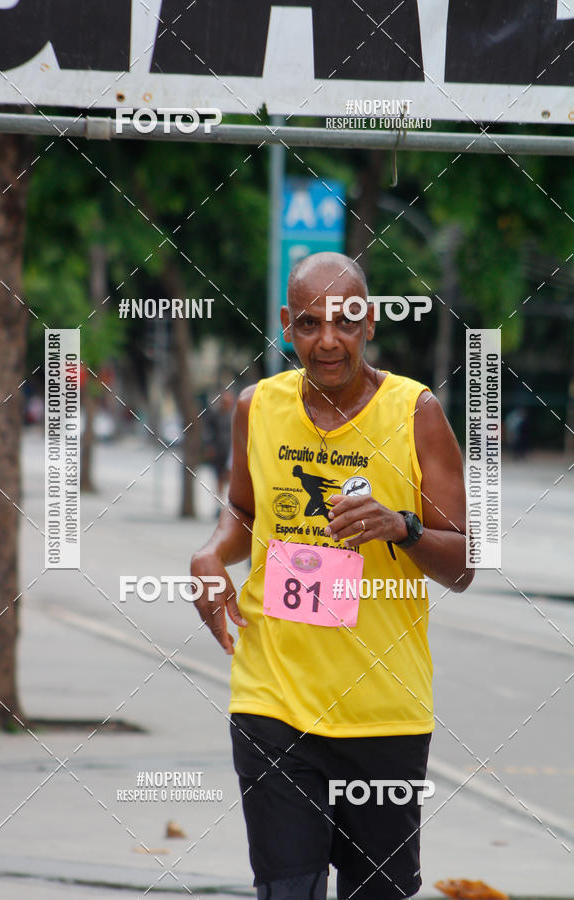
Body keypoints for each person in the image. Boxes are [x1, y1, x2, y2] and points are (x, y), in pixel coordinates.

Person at [191, 251, 474, 900]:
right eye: (310, 324)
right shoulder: (257, 408)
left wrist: (401, 526)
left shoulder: (416, 414)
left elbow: (463, 564)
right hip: (273, 700)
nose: (327, 341)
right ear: (287, 325)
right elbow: (242, 510)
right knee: (287, 890)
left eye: (345, 323)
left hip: (384, 716)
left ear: (369, 323)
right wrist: (209, 555)